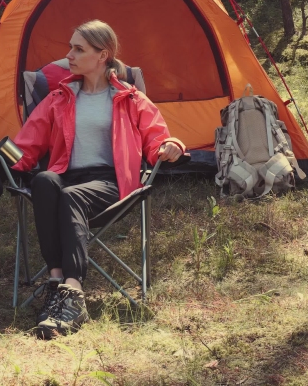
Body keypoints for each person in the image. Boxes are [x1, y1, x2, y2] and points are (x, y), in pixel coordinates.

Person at [10, 20, 185, 339]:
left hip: (112, 182)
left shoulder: (131, 98)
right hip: (68, 175)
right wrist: (1, 162)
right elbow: (27, 142)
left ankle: (72, 291)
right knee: (44, 181)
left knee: (70, 196)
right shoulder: (59, 97)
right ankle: (57, 280)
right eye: (70, 46)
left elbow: (156, 138)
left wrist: (169, 147)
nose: (69, 55)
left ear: (102, 55)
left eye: (79, 49)